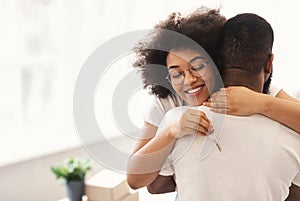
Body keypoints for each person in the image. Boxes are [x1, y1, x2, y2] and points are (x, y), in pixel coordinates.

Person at [154, 13, 300, 200]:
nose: (189, 80)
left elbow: (155, 185)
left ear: (217, 61)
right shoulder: (292, 133)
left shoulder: (176, 118)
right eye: (177, 74)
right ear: (269, 63)